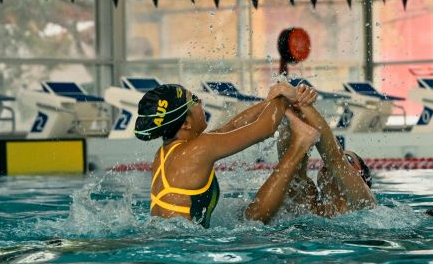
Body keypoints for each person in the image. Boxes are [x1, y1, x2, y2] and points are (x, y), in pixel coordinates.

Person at [134, 81, 323, 226]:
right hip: (184, 249)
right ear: (185, 124)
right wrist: (283, 96)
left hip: (173, 243)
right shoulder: (197, 149)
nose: (201, 101)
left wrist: (271, 102)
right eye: (194, 100)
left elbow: (230, 127)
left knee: (241, 215)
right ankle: (301, 143)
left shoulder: (170, 151)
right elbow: (265, 128)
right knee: (252, 218)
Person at [276, 103, 376, 218]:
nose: (326, 162)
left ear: (360, 175)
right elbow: (289, 166)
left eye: (347, 159)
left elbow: (335, 159)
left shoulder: (365, 203)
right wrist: (290, 110)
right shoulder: (310, 202)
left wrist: (304, 104)